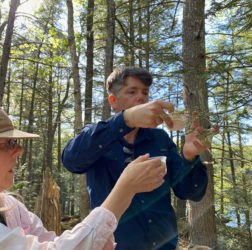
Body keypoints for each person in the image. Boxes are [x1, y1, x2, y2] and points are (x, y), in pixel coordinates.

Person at [0, 99, 167, 250]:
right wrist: (124, 191)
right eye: (8, 143)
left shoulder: (9, 207)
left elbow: (56, 243)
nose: (19, 150)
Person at [62, 67, 219, 250]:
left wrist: (190, 157)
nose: (141, 97)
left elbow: (191, 192)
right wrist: (125, 120)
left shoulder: (160, 139)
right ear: (113, 101)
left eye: (145, 92)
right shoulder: (96, 136)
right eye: (132, 91)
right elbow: (70, 161)